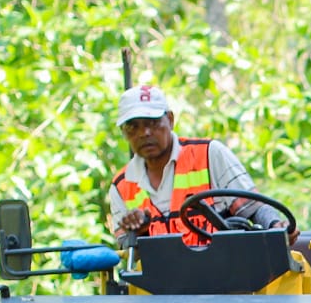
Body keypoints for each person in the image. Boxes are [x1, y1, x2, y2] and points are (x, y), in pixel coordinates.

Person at [107, 84, 294, 245]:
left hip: (225, 274)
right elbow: (129, 250)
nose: (144, 133)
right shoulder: (121, 186)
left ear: (170, 120)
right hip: (162, 284)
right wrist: (138, 231)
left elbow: (254, 208)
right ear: (124, 133)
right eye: (133, 127)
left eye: (153, 123)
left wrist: (275, 226)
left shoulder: (209, 154)